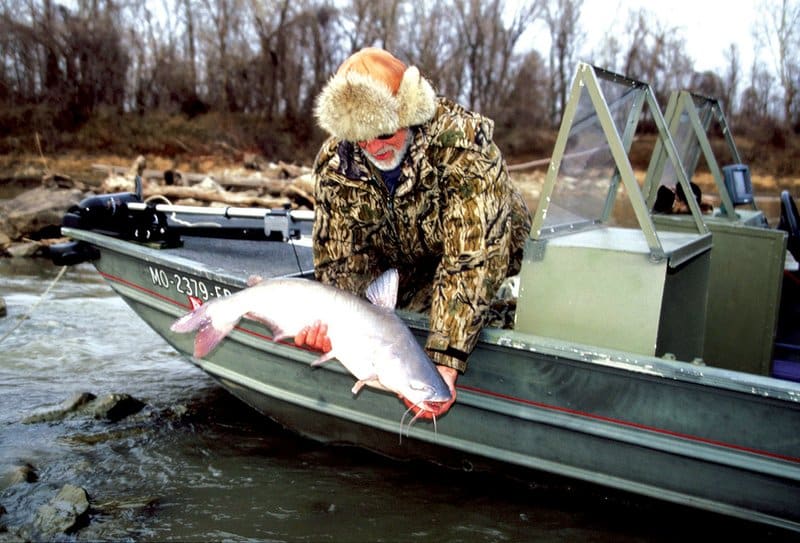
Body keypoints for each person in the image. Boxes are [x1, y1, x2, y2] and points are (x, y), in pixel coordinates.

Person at [294, 47, 532, 418]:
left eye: (385, 132)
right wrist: (338, 334)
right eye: (361, 137)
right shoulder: (335, 164)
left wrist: (443, 361)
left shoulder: (461, 144)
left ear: (408, 112)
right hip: (410, 273)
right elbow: (341, 262)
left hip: (496, 269)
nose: (374, 147)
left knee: (498, 309)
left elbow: (474, 257)